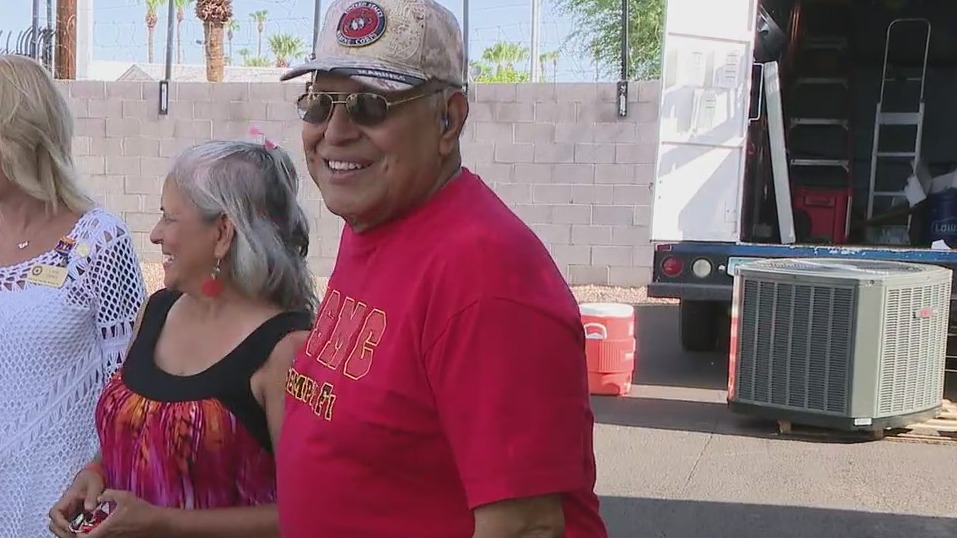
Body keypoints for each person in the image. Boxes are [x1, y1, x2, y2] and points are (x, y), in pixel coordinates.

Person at [276, 0, 609, 536]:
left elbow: (525, 527)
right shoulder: (374, 223)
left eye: (370, 106)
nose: (334, 131)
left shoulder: (484, 274)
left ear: (448, 119)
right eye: (319, 103)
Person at [48, 139, 317, 538]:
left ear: (223, 232)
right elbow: (137, 430)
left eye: (170, 218)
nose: (155, 234)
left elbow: (308, 515)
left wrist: (165, 524)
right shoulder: (156, 312)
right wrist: (95, 472)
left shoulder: (284, 351)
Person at [0, 54, 147, 537]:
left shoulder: (99, 241)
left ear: (18, 139)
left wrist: (100, 481)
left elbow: (129, 391)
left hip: (59, 504)